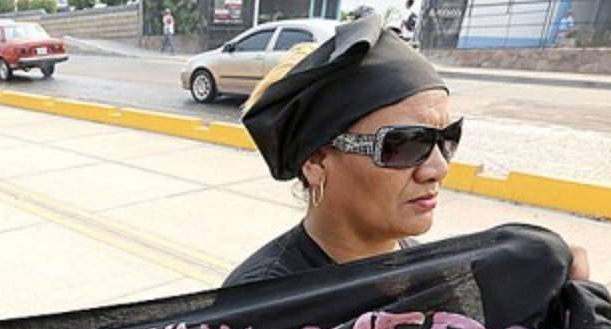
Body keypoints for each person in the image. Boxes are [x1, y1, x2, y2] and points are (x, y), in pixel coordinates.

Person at [232, 15, 590, 284]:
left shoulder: (434, 282)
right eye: (404, 144)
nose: (438, 168)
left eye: (448, 138)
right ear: (316, 160)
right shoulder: (257, 308)